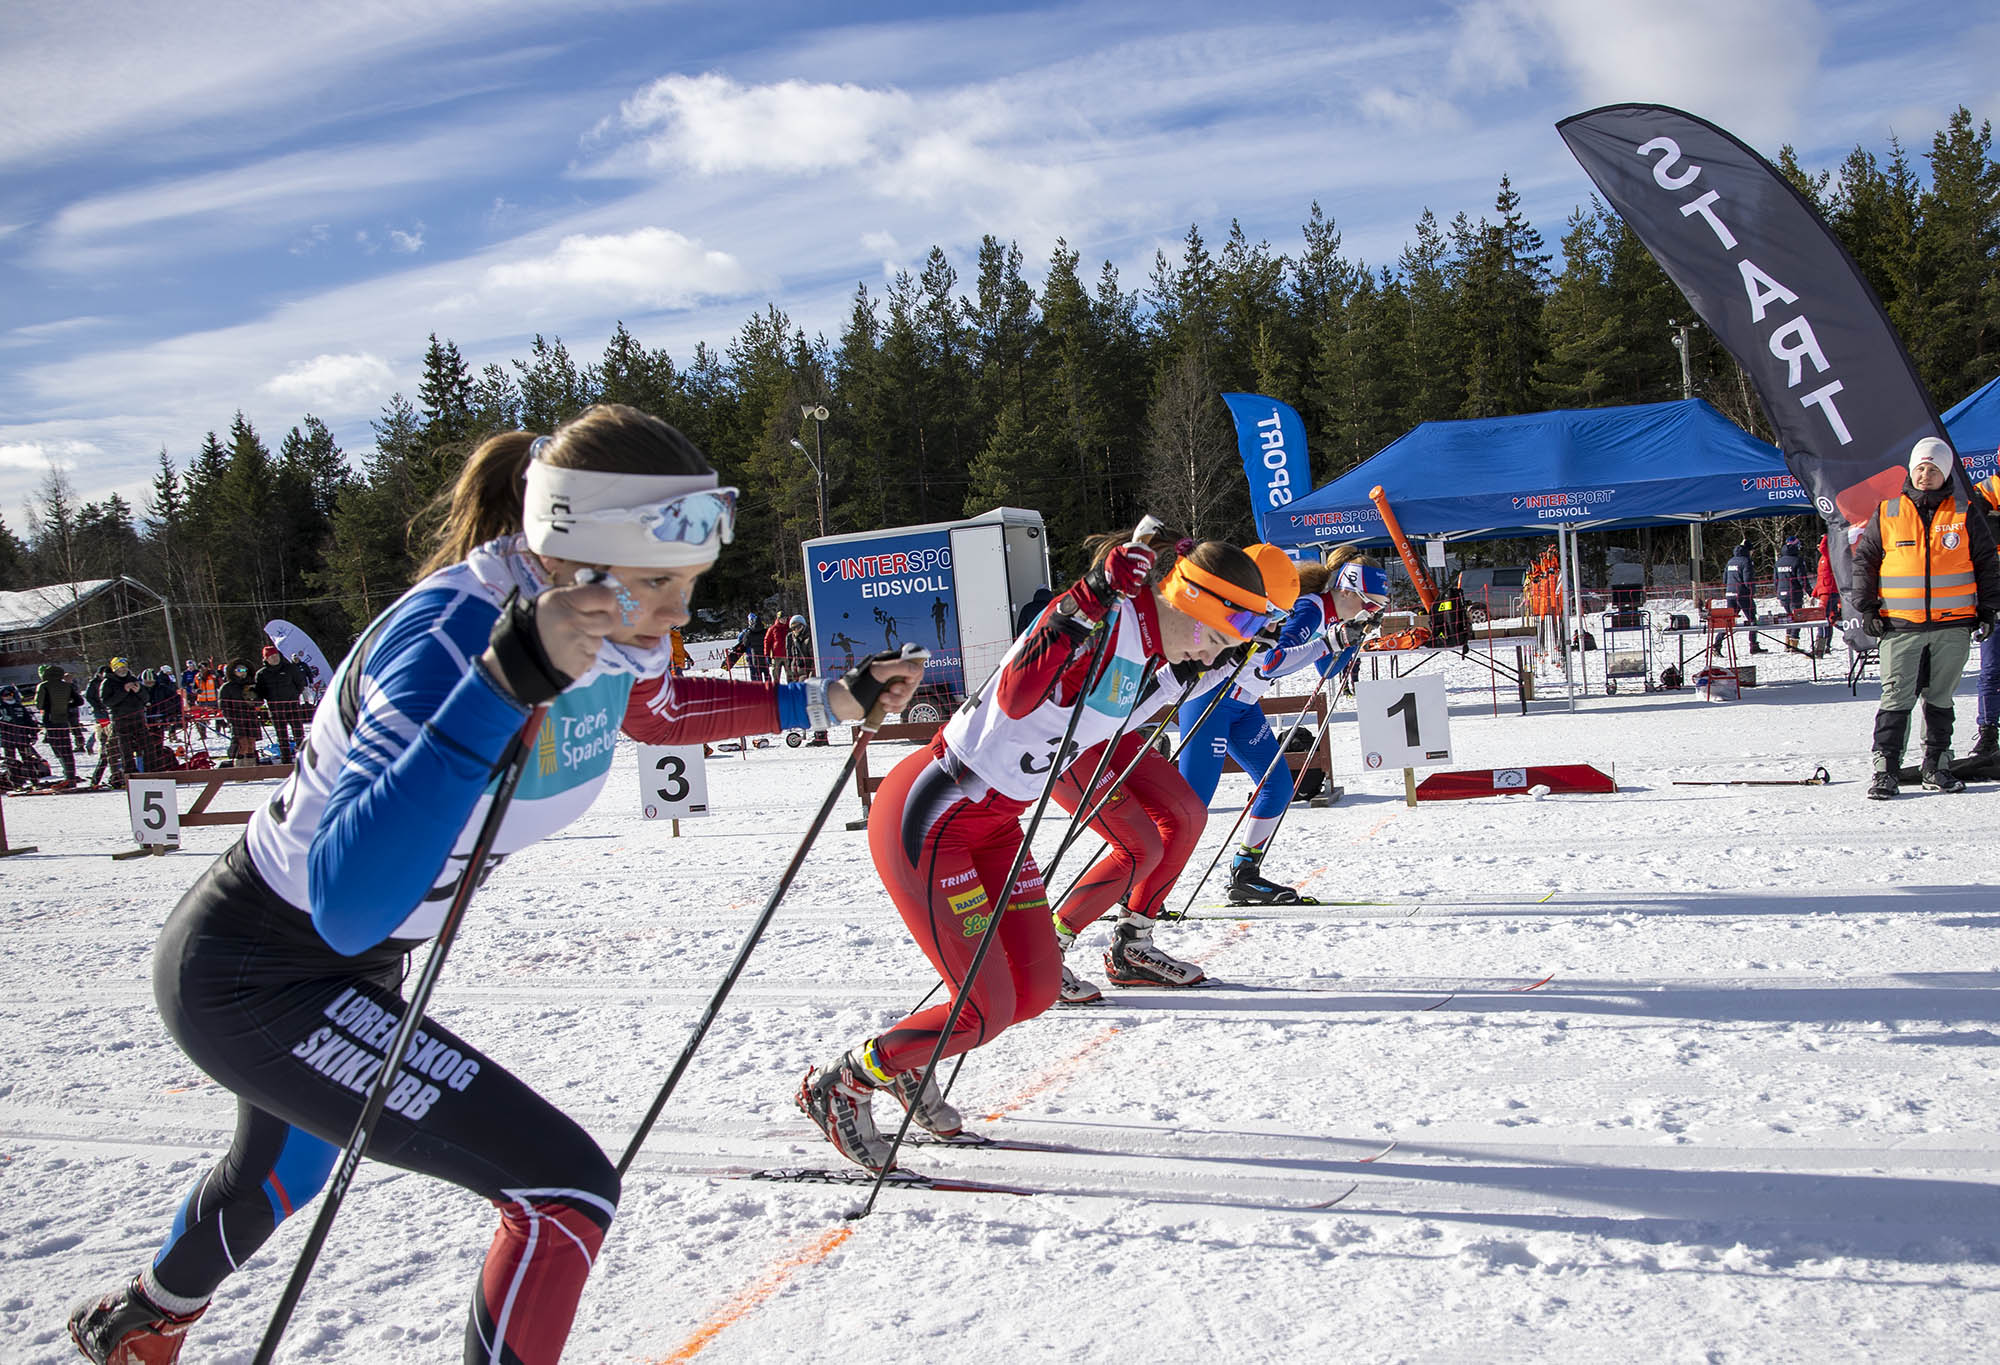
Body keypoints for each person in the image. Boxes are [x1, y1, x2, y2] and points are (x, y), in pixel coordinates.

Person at [64, 404, 923, 1365]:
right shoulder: (451, 643)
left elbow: (652, 709)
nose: (681, 613)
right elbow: (349, 900)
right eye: (659, 584)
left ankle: (137, 1323)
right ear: (572, 557)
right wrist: (497, 690)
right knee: (563, 1189)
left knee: (282, 1165)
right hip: (260, 965)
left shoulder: (583, 621)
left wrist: (832, 696)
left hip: (345, 965)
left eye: (689, 582)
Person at [794, 533, 1276, 1171]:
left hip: (995, 826)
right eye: (1213, 637)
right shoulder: (1104, 622)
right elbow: (1016, 696)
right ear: (1187, 601)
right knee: (984, 1009)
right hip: (934, 815)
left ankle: (914, 1062)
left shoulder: (1149, 644)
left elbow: (1110, 716)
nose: (1212, 649)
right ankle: (846, 1081)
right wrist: (1085, 599)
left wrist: (1197, 671)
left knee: (1039, 987)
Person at [1176, 548, 1388, 912]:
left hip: (1242, 707)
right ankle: (1140, 885)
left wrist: (1348, 642)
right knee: (1192, 805)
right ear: (1348, 591)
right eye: (1369, 605)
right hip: (1213, 700)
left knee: (1277, 787)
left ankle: (1245, 875)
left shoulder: (1330, 614)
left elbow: (1327, 671)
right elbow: (1271, 663)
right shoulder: (1310, 608)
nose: (1370, 613)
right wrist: (1331, 641)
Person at [1852, 437, 2000, 799]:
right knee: (1896, 699)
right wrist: (1868, 607)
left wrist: (1988, 609)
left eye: (1933, 469)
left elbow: (1986, 563)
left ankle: (1937, 766)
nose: (1925, 474)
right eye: (1920, 467)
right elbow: (1865, 562)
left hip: (1953, 624)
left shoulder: (1964, 513)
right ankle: (1885, 771)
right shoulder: (1888, 512)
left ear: (1945, 472)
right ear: (1911, 470)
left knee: (1940, 699)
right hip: (1901, 625)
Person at [1971, 471, 2000, 759]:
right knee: (1991, 670)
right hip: (1994, 592)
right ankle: (1988, 733)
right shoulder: (1984, 490)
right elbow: (1979, 535)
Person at [254, 643, 309, 763]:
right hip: (275, 707)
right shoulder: (262, 674)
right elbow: (260, 691)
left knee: (298, 732)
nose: (275, 658)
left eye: (276, 655)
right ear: (266, 659)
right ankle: (286, 760)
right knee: (281, 735)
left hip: (292, 704)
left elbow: (300, 683)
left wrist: (295, 695)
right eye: (271, 657)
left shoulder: (290, 668)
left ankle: (303, 759)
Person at [34, 662, 80, 784]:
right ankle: (71, 776)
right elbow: (79, 701)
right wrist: (66, 705)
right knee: (67, 748)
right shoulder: (66, 686)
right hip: (63, 720)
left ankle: (66, 774)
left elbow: (39, 704)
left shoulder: (43, 686)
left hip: (50, 720)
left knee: (57, 748)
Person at [1721, 539, 1764, 654]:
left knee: (1728, 621)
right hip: (1742, 595)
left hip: (1730, 594)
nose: (1752, 553)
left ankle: (1716, 644)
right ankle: (1753, 645)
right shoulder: (1746, 561)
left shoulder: (1730, 561)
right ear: (1748, 550)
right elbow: (1747, 580)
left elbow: (1724, 580)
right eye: (1752, 551)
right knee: (1752, 620)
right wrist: (1751, 592)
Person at [216, 660, 262, 767]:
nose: (243, 672)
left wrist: (253, 698)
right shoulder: (227, 687)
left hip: (251, 718)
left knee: (251, 744)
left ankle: (252, 770)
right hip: (237, 719)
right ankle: (240, 771)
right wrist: (231, 720)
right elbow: (223, 706)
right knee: (242, 745)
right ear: (234, 672)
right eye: (240, 670)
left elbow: (259, 701)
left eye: (244, 670)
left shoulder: (251, 685)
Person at [0, 683, 40, 787]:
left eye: (10, 694)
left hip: (23, 738)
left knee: (28, 760)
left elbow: (29, 722)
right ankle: (16, 784)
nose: (8, 696)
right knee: (11, 762)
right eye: (5, 695)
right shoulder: (1, 708)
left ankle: (35, 782)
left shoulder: (19, 707)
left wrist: (33, 733)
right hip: (7, 739)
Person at [1774, 535, 1807, 651]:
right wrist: (1810, 592)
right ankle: (1794, 644)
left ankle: (1787, 643)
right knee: (1797, 618)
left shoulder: (1779, 562)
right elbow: (1802, 579)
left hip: (1782, 594)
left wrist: (1778, 593)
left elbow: (1775, 580)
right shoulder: (1798, 561)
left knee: (1789, 617)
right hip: (1794, 593)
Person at [1811, 531, 1839, 657]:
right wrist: (1814, 593)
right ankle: (1824, 646)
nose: (1819, 547)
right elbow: (1821, 577)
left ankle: (1821, 647)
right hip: (1824, 591)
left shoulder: (1830, 555)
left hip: (1829, 592)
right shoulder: (1823, 558)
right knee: (1828, 619)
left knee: (1823, 619)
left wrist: (1827, 535)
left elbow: (1823, 547)